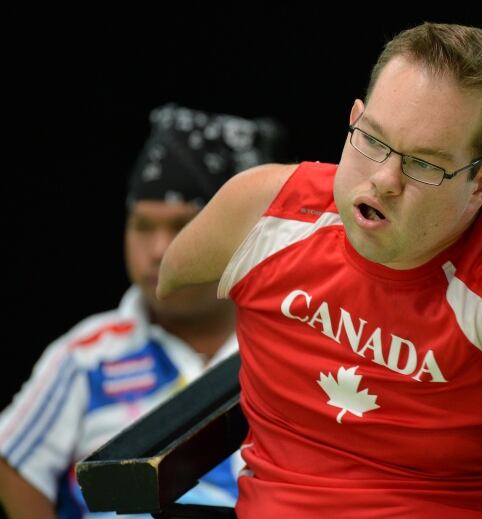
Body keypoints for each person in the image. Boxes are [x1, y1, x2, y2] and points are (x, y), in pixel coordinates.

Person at [158, 23, 482, 518]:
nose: (384, 180)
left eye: (424, 164)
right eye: (373, 140)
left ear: (480, 183)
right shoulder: (263, 211)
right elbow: (169, 280)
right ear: (354, 119)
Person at [0, 103, 286, 519]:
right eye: (143, 226)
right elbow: (12, 460)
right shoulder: (85, 356)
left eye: (182, 226)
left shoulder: (292, 347)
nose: (157, 251)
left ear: (234, 235)